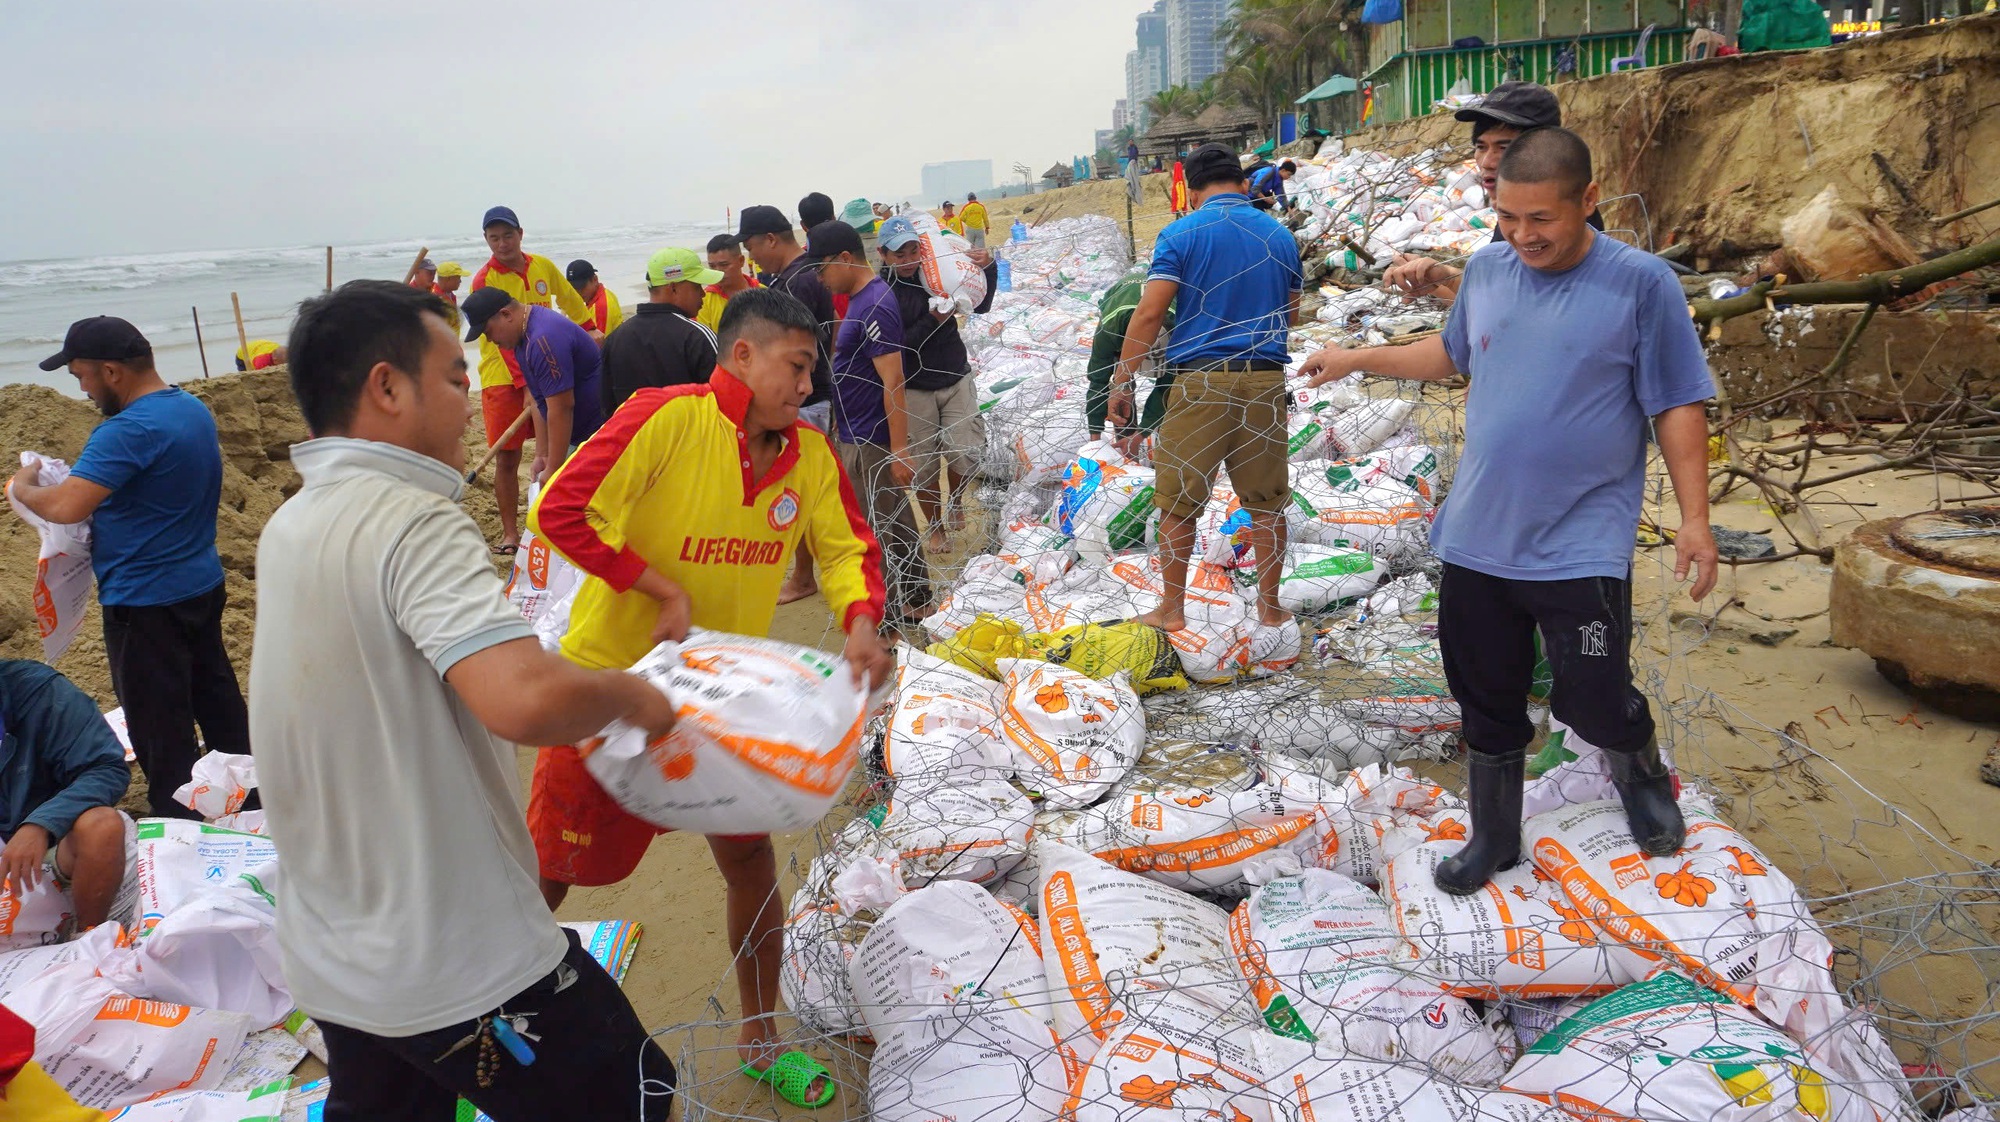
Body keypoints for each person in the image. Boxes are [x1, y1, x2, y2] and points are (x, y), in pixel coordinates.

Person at [254, 279, 677, 1121]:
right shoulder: (413, 517)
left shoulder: (292, 525)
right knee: (638, 1093)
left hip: (336, 949)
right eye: (455, 379)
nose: (474, 401)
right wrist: (636, 693)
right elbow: (519, 699)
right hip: (457, 955)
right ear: (386, 387)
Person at [1298, 127, 1716, 896]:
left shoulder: (1641, 283)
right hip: (1479, 536)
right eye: (1508, 217)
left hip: (1581, 541)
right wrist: (1355, 357)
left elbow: (1678, 402)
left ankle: (1641, 769)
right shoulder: (1488, 269)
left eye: (1542, 220)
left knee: (1591, 689)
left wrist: (1695, 518)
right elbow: (1451, 355)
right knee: (1483, 694)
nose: (1523, 236)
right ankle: (1494, 835)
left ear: (1588, 201)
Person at [524, 287, 892, 1110]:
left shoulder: (808, 454)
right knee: (547, 876)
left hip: (721, 701)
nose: (806, 387)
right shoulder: (667, 419)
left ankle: (760, 1036)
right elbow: (561, 510)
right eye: (796, 368)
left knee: (750, 863)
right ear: (743, 355)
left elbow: (844, 548)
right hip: (609, 692)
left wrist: (860, 622)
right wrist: (655, 588)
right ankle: (481, 1036)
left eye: (812, 372)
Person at [13, 317, 249, 820]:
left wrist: (23, 486)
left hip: (145, 603)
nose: (82, 388)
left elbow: (67, 507)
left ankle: (180, 821)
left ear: (112, 371)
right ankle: (250, 792)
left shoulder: (127, 430)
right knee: (215, 696)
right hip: (201, 583)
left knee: (159, 726)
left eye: (82, 376)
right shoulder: (188, 408)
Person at [1106, 143, 1303, 675]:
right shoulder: (1279, 235)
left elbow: (1149, 314)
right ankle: (1269, 606)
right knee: (1266, 503)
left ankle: (1171, 609)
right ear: (1242, 183)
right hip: (1264, 382)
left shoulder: (1181, 233)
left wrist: (1121, 382)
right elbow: (1293, 311)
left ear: (1191, 189)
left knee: (1177, 501)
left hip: (1201, 384)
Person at [1382, 81, 1602, 304]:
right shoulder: (1516, 215)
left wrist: (1447, 278)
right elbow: (1496, 301)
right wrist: (1434, 279)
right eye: (1481, 147)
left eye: (1504, 148)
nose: (1487, 162)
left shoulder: (1565, 225)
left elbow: (1520, 309)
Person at [810, 220, 931, 624]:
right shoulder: (863, 299)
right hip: (859, 430)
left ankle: (887, 620)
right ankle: (917, 598)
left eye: (821, 268)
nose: (820, 279)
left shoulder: (875, 304)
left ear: (845, 259)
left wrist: (900, 449)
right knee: (895, 518)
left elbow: (893, 379)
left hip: (870, 436)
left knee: (874, 528)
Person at [470, 205, 595, 554]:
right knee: (507, 457)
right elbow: (499, 337)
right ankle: (511, 533)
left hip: (546, 362)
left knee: (559, 440)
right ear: (486, 240)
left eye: (507, 235)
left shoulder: (541, 266)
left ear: (520, 234)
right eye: (494, 238)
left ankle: (560, 516)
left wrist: (591, 329)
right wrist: (525, 384)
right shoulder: (484, 279)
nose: (502, 244)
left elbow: (569, 299)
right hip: (501, 375)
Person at [736, 204, 840, 604]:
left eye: (751, 248)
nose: (752, 257)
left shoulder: (794, 283)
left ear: (770, 239)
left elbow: (793, 352)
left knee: (798, 489)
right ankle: (808, 571)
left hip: (806, 398)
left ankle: (803, 575)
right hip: (817, 392)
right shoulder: (807, 272)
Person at [876, 216, 997, 554]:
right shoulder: (882, 293)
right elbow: (897, 346)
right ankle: (935, 525)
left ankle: (956, 499)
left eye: (914, 250)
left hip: (955, 375)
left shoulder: (938, 274)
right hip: (914, 386)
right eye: (899, 254)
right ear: (883, 254)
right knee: (926, 464)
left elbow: (982, 304)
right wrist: (935, 320)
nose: (908, 259)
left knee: (965, 454)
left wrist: (988, 269)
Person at [0, 660, 131, 934]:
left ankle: (86, 940)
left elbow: (105, 767)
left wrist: (42, 824)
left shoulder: (40, 692)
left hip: (48, 853)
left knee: (102, 826)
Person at [461, 289, 606, 487]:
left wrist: (554, 468)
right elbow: (539, 400)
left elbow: (562, 408)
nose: (488, 340)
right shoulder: (522, 337)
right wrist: (542, 454)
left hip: (596, 433)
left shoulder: (542, 339)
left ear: (506, 314)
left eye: (487, 331)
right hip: (574, 434)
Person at [601, 248, 720, 413]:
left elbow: (607, 408)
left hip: (636, 438)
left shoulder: (615, 338)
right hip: (690, 437)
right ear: (673, 288)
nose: (703, 293)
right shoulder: (698, 336)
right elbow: (723, 401)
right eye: (696, 286)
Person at [1086, 267, 1177, 442]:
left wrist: (1143, 433)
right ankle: (1124, 439)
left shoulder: (1180, 331)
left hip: (1168, 320)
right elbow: (1098, 379)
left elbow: (1168, 386)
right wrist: (1094, 438)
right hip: (1120, 314)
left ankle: (1151, 443)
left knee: (1177, 392)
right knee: (1119, 389)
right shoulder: (1109, 330)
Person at [696, 234, 760, 335]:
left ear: (741, 261)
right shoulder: (704, 300)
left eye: (724, 265)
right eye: (712, 266)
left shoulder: (762, 292)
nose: (718, 272)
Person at [566, 259, 625, 337]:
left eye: (582, 287)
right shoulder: (605, 293)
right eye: (574, 289)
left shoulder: (600, 307)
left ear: (595, 279)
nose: (578, 293)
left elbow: (599, 344)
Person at [433, 262, 469, 332]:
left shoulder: (449, 295)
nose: (460, 281)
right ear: (448, 279)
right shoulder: (436, 300)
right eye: (458, 277)